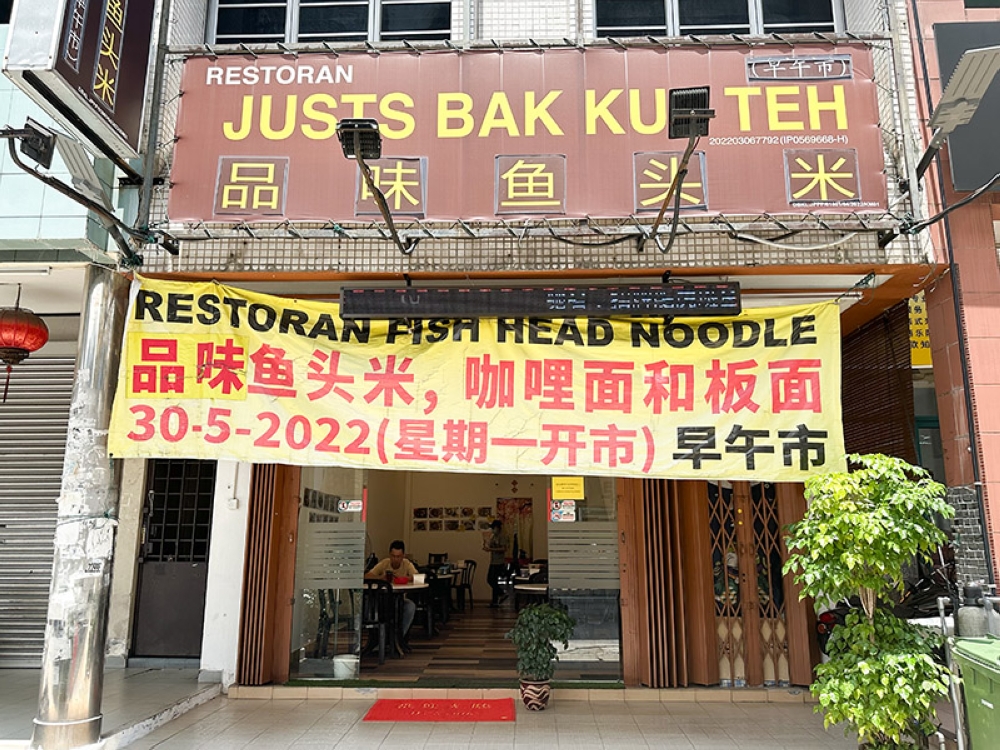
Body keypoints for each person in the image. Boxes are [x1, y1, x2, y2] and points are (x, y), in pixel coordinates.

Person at [365, 540, 418, 645]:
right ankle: (377, 639)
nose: (395, 559)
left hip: (400, 599)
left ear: (403, 556)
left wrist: (405, 578)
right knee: (371, 607)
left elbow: (417, 576)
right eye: (393, 556)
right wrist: (381, 578)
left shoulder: (407, 564)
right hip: (381, 600)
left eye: (398, 556)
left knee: (410, 606)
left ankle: (397, 638)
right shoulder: (385, 563)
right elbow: (367, 576)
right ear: (390, 555)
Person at [483, 520, 509, 608]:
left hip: (499, 562)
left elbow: (503, 549)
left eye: (493, 528)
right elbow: (491, 546)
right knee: (492, 581)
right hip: (493, 561)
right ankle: (494, 602)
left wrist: (491, 550)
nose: (492, 530)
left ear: (497, 528)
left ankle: (502, 594)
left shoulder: (502, 536)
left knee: (491, 580)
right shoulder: (494, 536)